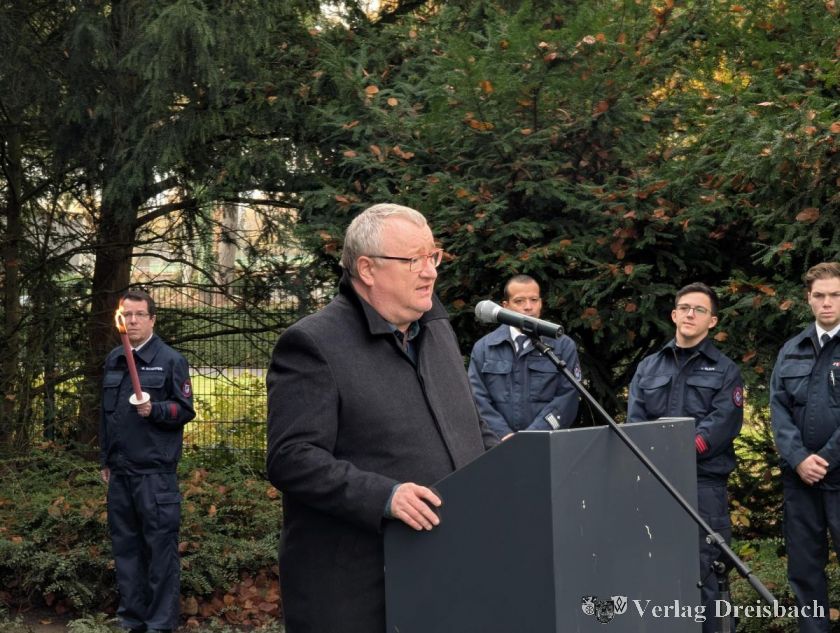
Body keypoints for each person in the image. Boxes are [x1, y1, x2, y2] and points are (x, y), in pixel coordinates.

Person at [265, 203, 498, 633]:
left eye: (433, 256)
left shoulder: (435, 330)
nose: (430, 272)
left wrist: (507, 457)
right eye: (413, 260)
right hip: (356, 589)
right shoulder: (313, 344)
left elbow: (466, 422)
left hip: (441, 572)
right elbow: (291, 457)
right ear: (367, 269)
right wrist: (386, 496)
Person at [626, 282, 743, 633]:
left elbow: (721, 425)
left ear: (712, 321)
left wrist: (678, 452)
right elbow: (636, 422)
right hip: (655, 482)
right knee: (655, 570)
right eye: (685, 308)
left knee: (704, 573)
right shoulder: (649, 367)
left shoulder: (725, 371)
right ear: (674, 314)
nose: (691, 314)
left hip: (702, 485)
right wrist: (657, 456)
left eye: (700, 310)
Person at [99, 290, 195, 633]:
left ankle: (159, 625)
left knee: (159, 553)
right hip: (121, 474)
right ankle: (132, 621)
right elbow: (106, 416)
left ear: (152, 319)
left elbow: (185, 410)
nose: (133, 320)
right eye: (127, 315)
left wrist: (155, 409)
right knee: (126, 551)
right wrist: (106, 460)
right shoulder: (115, 360)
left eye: (140, 314)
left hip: (155, 475)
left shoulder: (170, 360)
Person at [771, 262, 840, 633]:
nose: (827, 303)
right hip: (800, 481)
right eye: (820, 296)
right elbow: (778, 409)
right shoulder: (791, 349)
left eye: (835, 295)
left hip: (838, 475)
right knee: (804, 568)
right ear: (808, 299)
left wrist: (825, 459)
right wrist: (798, 458)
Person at [468, 274, 581, 439]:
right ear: (505, 306)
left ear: (541, 303)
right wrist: (503, 434)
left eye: (534, 300)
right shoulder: (484, 348)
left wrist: (531, 436)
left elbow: (567, 397)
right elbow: (477, 399)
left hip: (547, 444)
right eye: (519, 301)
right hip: (497, 445)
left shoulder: (562, 346)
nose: (528, 307)